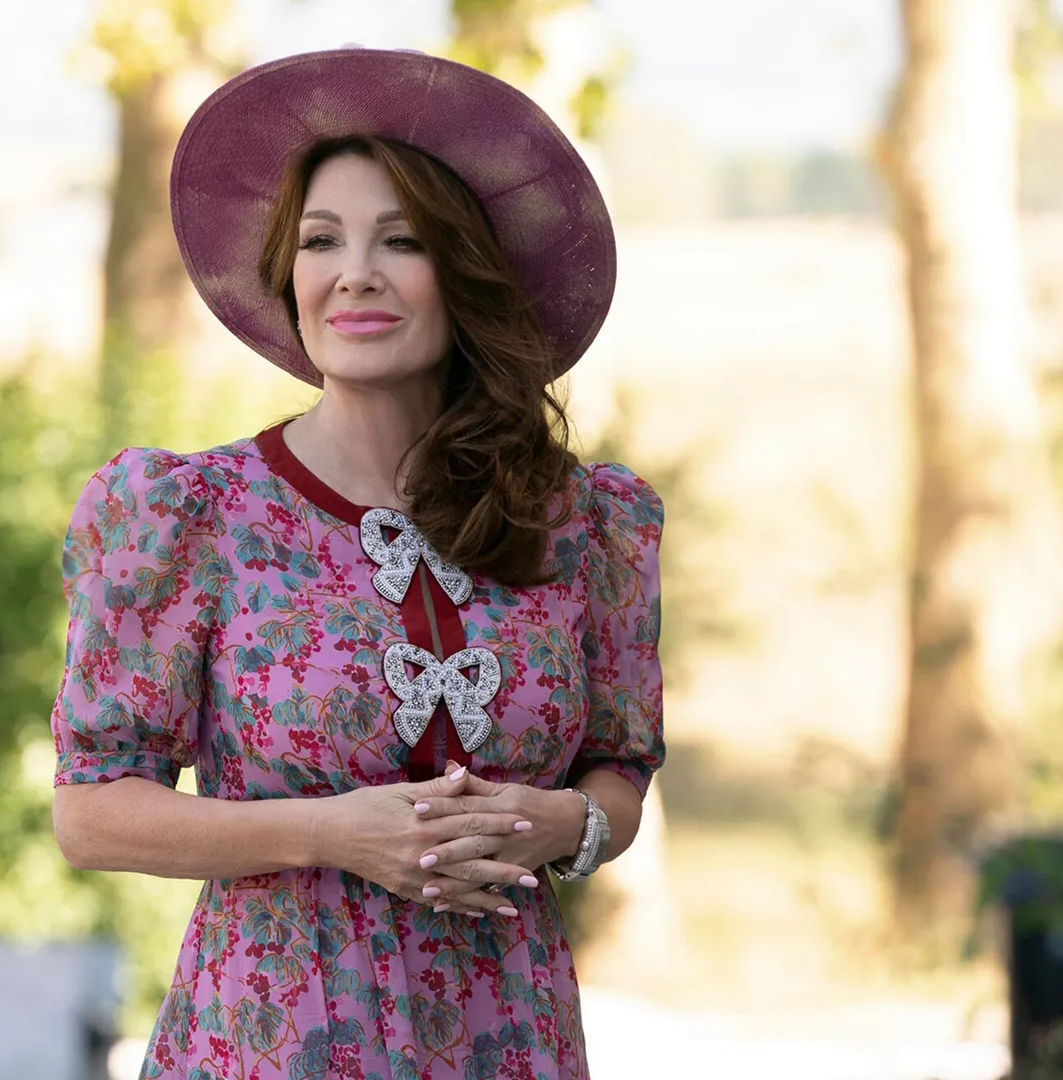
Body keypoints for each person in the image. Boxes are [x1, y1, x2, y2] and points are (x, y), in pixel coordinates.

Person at [49, 47, 664, 1080]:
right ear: (290, 274)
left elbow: (621, 772)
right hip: (275, 1037)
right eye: (322, 240)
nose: (355, 273)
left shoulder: (586, 524)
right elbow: (93, 811)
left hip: (507, 1037)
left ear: (467, 274)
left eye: (402, 241)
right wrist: (333, 834)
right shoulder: (188, 516)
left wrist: (561, 823)